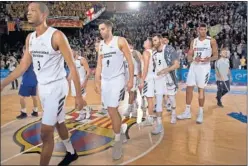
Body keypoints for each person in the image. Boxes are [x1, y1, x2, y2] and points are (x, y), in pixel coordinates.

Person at [0, 2, 84, 165]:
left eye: (33, 10)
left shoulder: (57, 36)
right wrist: (4, 83)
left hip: (57, 88)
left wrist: (79, 96)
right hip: (43, 88)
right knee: (59, 123)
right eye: (27, 10)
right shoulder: (30, 38)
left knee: (45, 133)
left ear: (44, 15)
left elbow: (72, 66)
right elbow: (23, 65)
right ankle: (71, 152)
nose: (28, 13)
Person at [94, 20, 134, 160]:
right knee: (112, 111)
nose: (101, 31)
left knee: (112, 109)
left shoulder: (120, 41)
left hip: (118, 79)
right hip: (106, 81)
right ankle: (121, 131)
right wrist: (97, 81)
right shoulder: (100, 46)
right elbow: (99, 65)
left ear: (110, 29)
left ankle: (117, 142)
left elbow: (130, 61)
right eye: (99, 30)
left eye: (103, 29)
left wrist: (130, 80)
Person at [177, 23, 218, 124]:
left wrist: (209, 58)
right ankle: (187, 111)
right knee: (188, 88)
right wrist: (193, 58)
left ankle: (200, 112)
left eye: (204, 29)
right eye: (201, 29)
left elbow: (216, 55)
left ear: (206, 30)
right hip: (194, 66)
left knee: (201, 90)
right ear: (198, 30)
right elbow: (189, 56)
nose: (203, 31)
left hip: (204, 68)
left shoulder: (211, 40)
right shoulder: (194, 41)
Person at [153, 34, 180, 127]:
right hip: (159, 79)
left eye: (155, 40)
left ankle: (173, 113)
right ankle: (159, 123)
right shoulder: (154, 52)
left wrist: (165, 70)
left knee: (172, 98)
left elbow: (177, 65)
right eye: (153, 41)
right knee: (158, 99)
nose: (154, 43)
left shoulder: (169, 49)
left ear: (160, 40)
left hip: (169, 77)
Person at [68, 48, 92, 121]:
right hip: (73, 82)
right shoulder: (70, 61)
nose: (71, 53)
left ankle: (86, 110)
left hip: (81, 82)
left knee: (80, 98)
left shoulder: (82, 60)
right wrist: (68, 79)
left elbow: (88, 72)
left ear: (75, 51)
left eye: (72, 51)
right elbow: (71, 71)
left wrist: (85, 82)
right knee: (76, 98)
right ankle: (83, 112)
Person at [17, 46, 39, 119]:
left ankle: (23, 112)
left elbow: (22, 70)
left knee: (21, 97)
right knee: (34, 96)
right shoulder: (35, 58)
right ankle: (35, 111)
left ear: (24, 51)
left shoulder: (25, 59)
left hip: (27, 80)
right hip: (34, 80)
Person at [123, 39, 142, 117]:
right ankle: (135, 105)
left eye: (128, 44)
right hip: (126, 76)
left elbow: (140, 62)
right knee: (132, 92)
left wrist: (139, 73)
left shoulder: (134, 52)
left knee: (131, 92)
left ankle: (130, 108)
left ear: (131, 45)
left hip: (134, 76)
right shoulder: (123, 53)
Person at [139, 37, 155, 126]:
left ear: (149, 44)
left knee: (149, 99)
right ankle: (150, 117)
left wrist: (142, 79)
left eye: (146, 41)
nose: (144, 42)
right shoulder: (153, 52)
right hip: (152, 77)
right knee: (150, 99)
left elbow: (145, 67)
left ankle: (150, 119)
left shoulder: (146, 52)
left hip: (148, 77)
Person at [94, 40, 108, 114]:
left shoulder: (103, 54)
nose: (95, 47)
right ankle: (104, 107)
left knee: (105, 92)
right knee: (103, 92)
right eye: (95, 46)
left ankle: (106, 108)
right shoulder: (100, 54)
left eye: (97, 45)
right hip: (104, 77)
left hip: (107, 77)